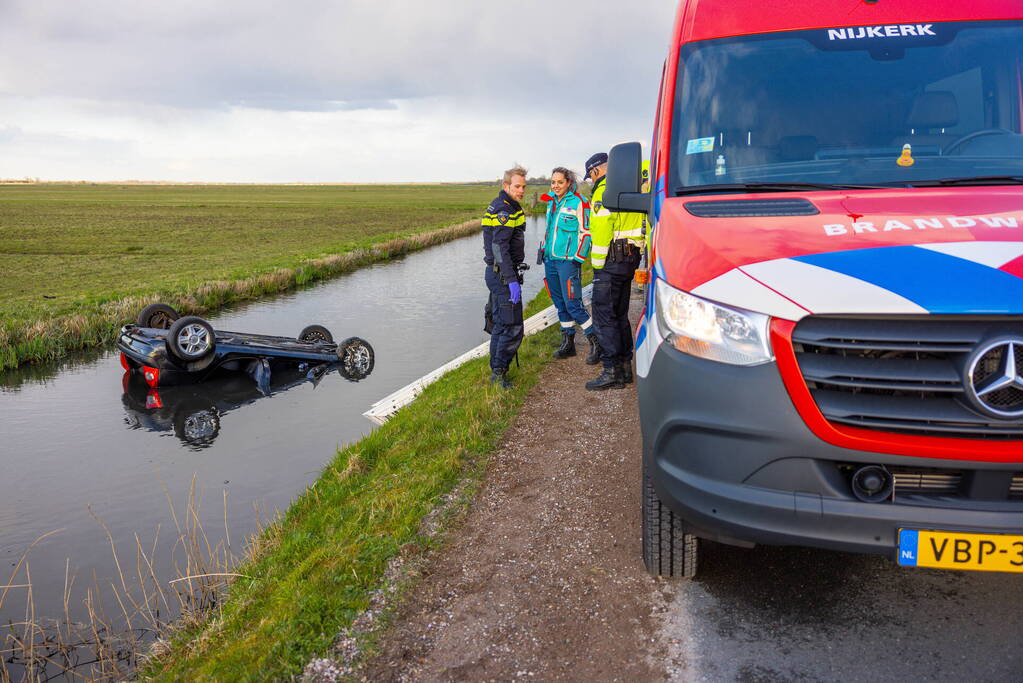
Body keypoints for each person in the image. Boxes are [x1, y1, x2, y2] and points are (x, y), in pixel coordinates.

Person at [583, 152, 644, 390]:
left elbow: (601, 231)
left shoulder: (604, 192)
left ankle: (611, 370)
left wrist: (597, 264)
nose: (591, 180)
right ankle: (625, 367)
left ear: (596, 171)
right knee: (619, 315)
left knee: (604, 317)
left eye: (590, 176)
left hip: (610, 263)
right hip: (629, 259)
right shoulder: (631, 187)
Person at [539, 167, 599, 363]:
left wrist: (578, 258)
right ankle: (568, 344)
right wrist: (544, 250)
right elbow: (550, 230)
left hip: (568, 262)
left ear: (569, 183)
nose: (555, 186)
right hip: (550, 260)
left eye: (560, 182)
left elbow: (587, 232)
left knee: (573, 304)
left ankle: (597, 343)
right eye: (553, 182)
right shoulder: (550, 202)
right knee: (560, 304)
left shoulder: (579, 202)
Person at [483, 166, 528, 389]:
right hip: (502, 276)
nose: (521, 191)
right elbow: (499, 248)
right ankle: (499, 373)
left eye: (523, 187)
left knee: (501, 325)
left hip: (498, 273)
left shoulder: (508, 205)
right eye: (517, 186)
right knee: (511, 327)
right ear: (506, 186)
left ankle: (497, 371)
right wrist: (510, 280)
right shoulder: (504, 210)